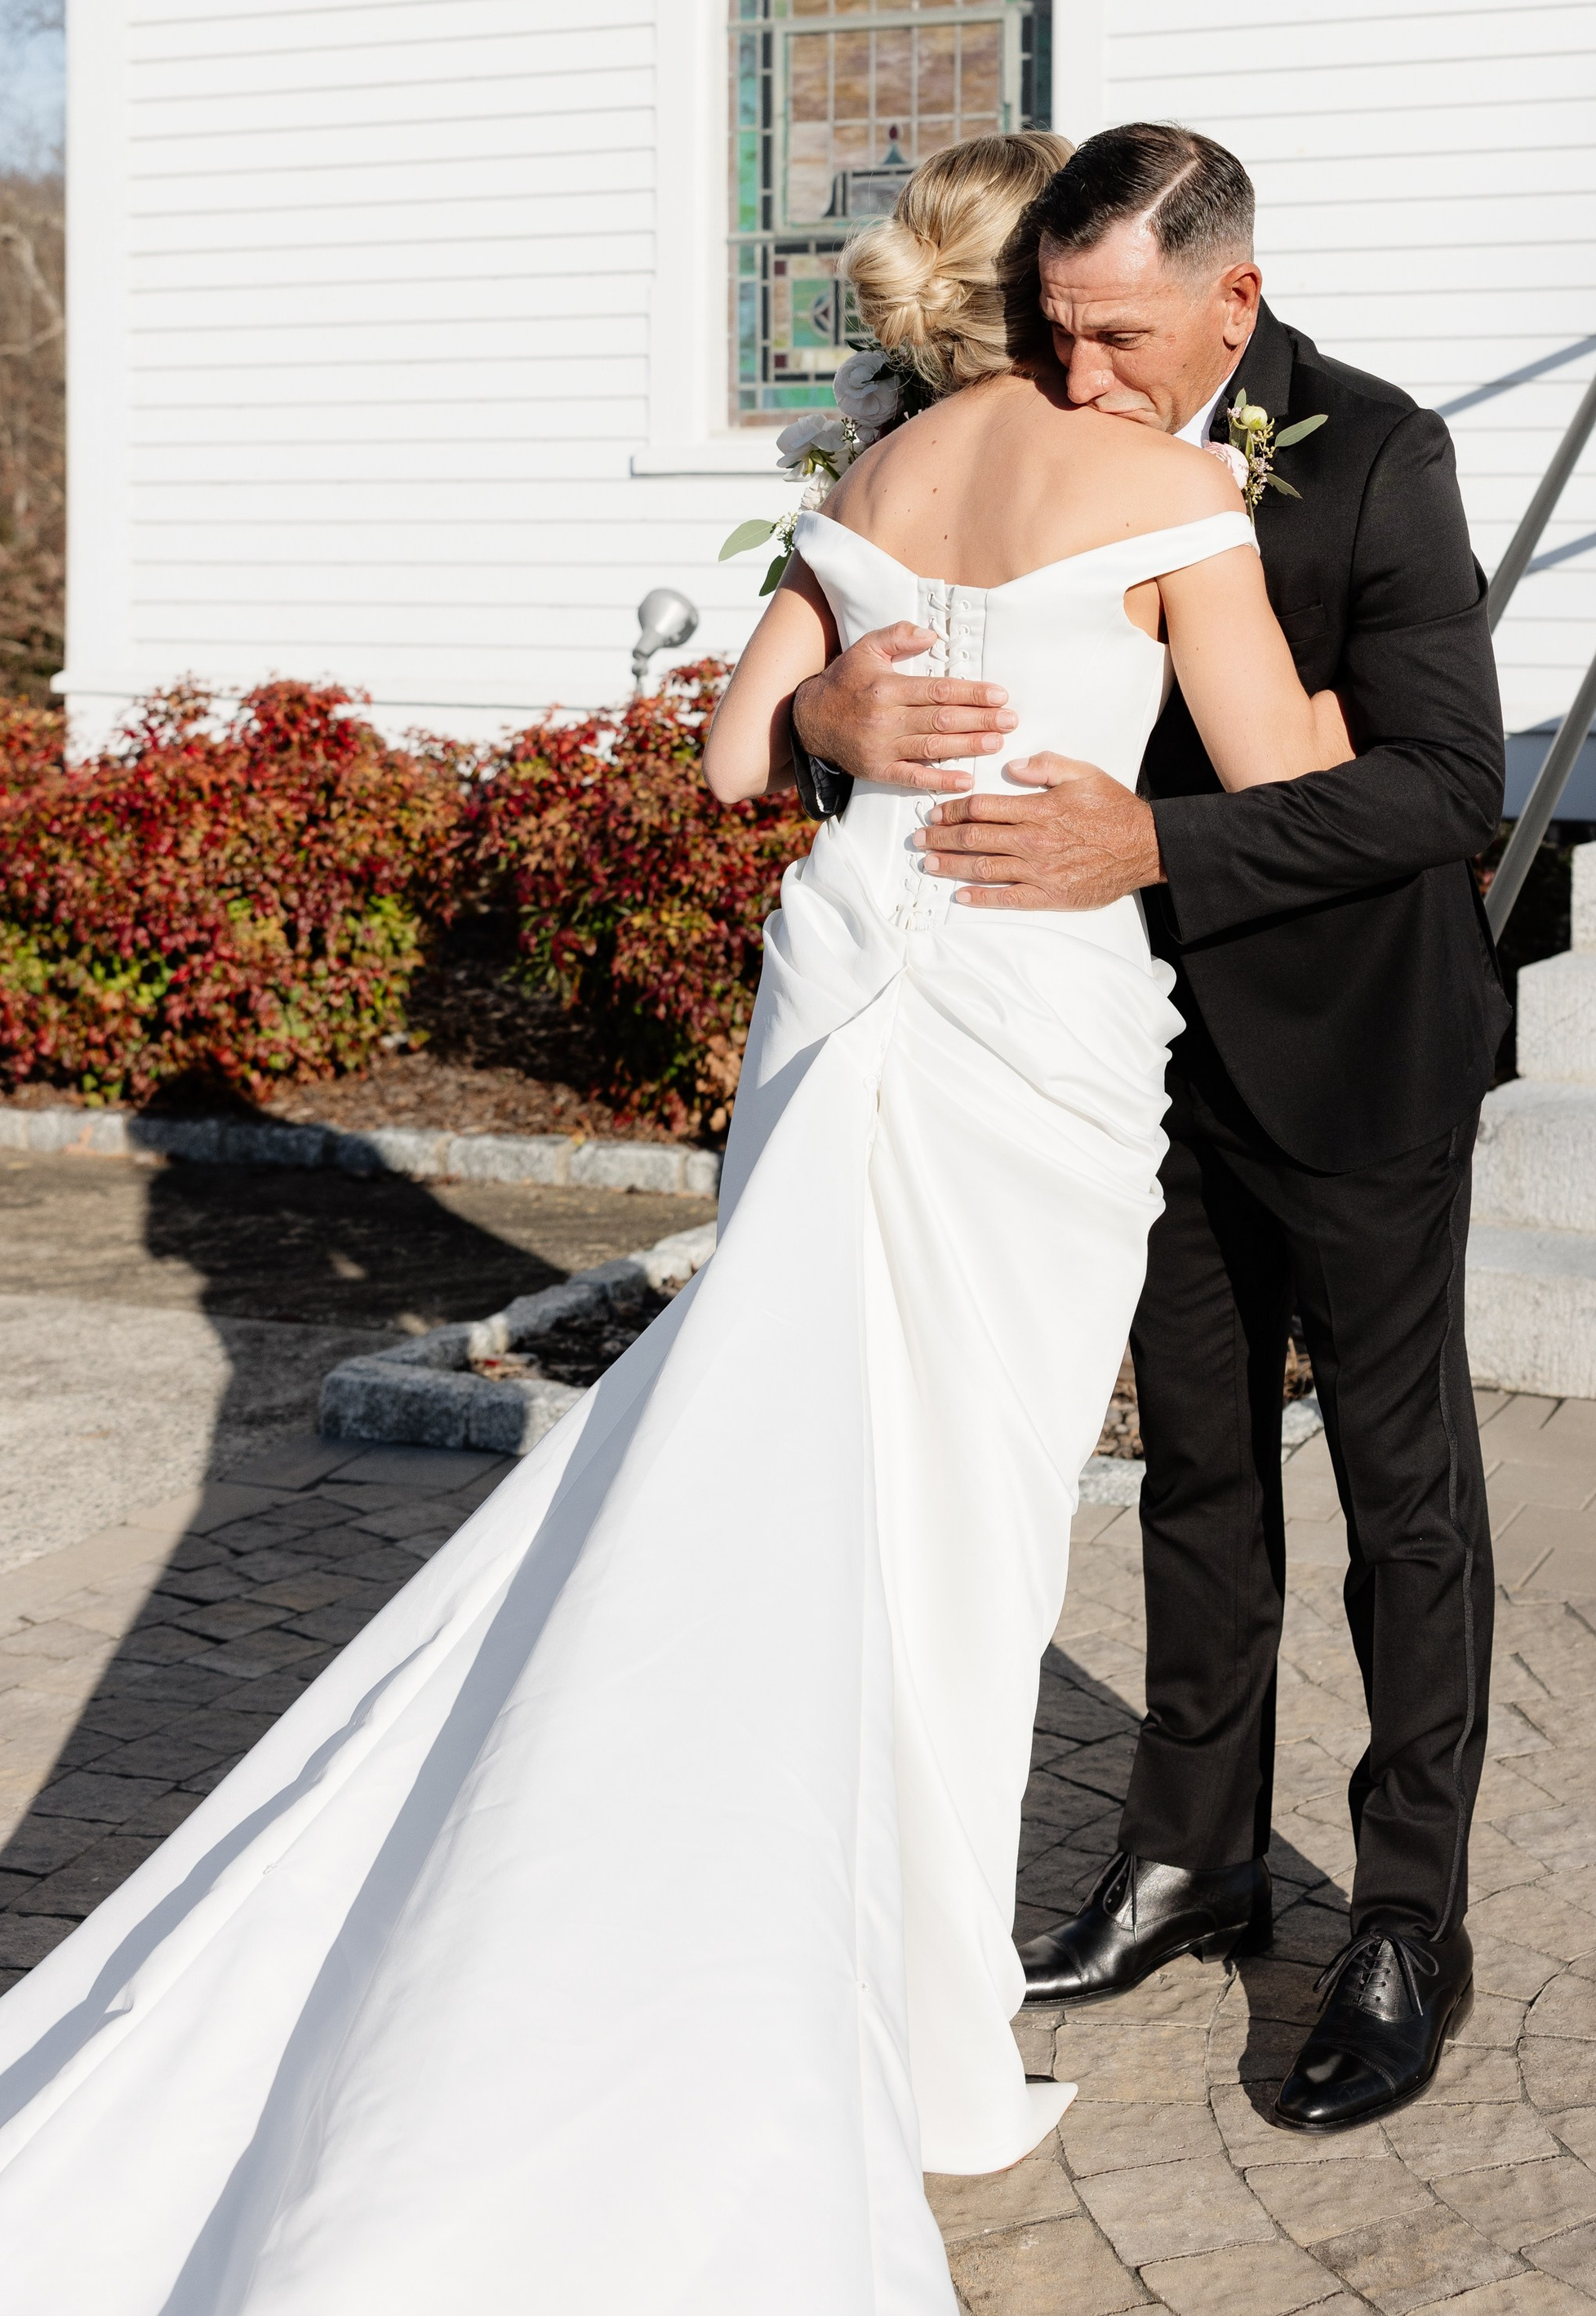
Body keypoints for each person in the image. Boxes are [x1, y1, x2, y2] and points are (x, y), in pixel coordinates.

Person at [0, 131, 1351, 2314]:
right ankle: (908, 2043)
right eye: (1081, 320)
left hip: (850, 974)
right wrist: (1346, 723)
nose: (1106, 361)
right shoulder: (1184, 498)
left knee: (792, 1456)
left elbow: (737, 769)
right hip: (1030, 1011)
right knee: (960, 1526)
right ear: (1044, 292)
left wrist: (837, 706)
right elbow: (1287, 784)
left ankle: (805, 1952)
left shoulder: (887, 476)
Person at [791, 123, 1509, 2136]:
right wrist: (829, 719)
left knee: (1398, 1488)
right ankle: (1188, 1850)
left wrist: (1156, 838)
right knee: (1193, 1467)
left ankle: (1401, 1914)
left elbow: (1446, 782)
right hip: (1120, 1051)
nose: (1084, 376)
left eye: (1120, 338)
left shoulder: (1373, 454)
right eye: (1057, 327)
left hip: (1355, 1045)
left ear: (1233, 299)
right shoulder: (1022, 417)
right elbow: (896, 665)